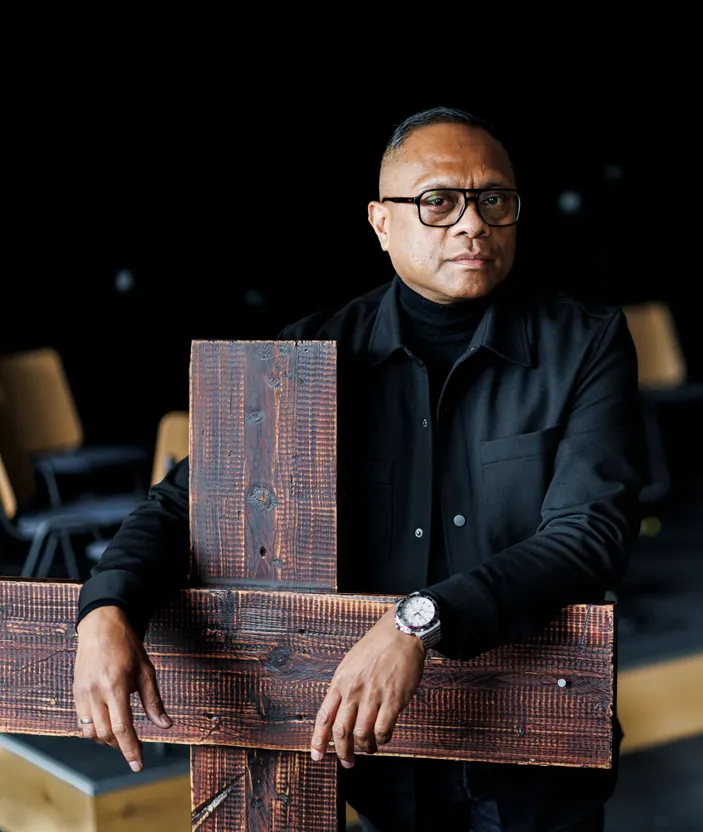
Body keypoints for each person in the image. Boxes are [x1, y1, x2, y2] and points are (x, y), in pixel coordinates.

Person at [72, 106, 644, 831]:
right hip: (373, 752)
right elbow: (183, 505)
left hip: (536, 742)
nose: (473, 224)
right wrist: (106, 607)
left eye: (494, 199)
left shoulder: (585, 343)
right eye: (439, 201)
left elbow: (590, 535)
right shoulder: (308, 357)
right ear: (381, 222)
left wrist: (415, 623)